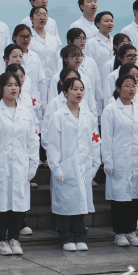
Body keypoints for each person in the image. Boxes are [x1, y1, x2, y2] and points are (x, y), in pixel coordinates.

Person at [0, 71, 39, 256]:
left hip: (21, 164)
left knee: (18, 202)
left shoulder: (26, 112)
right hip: (0, 164)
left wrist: (33, 164)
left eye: (16, 85)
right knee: (0, 203)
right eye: (9, 85)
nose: (14, 88)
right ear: (1, 88)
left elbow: (32, 140)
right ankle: (0, 239)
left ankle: (14, 238)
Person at [45, 75, 100, 251]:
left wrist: (94, 165)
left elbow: (95, 140)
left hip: (84, 165)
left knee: (81, 202)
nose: (78, 92)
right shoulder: (58, 116)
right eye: (74, 89)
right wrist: (56, 168)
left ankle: (79, 235)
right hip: (65, 165)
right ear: (65, 92)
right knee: (65, 203)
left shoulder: (88, 116)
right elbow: (52, 144)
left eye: (81, 89)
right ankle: (66, 236)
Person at [100, 72, 138, 247]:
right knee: (120, 198)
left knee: (137, 197)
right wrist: (108, 160)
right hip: (120, 159)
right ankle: (119, 233)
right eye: (127, 86)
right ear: (118, 89)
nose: (131, 89)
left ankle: (131, 230)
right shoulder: (111, 109)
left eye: (134, 86)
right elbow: (106, 137)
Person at [11, 26, 46, 121]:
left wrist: (44, 102)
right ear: (14, 37)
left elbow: (41, 80)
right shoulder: (9, 54)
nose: (26, 40)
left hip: (33, 99)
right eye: (22, 37)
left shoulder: (34, 56)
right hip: (13, 97)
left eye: (28, 37)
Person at [85, 11, 116, 92]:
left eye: (111, 21)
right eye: (106, 21)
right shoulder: (91, 43)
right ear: (98, 24)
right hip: (98, 84)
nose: (110, 23)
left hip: (114, 82)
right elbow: (89, 66)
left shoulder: (116, 42)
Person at [28, 5, 62, 78]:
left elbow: (58, 61)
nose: (42, 17)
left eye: (45, 15)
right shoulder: (28, 39)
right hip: (34, 78)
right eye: (39, 15)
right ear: (31, 19)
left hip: (51, 78)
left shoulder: (53, 39)